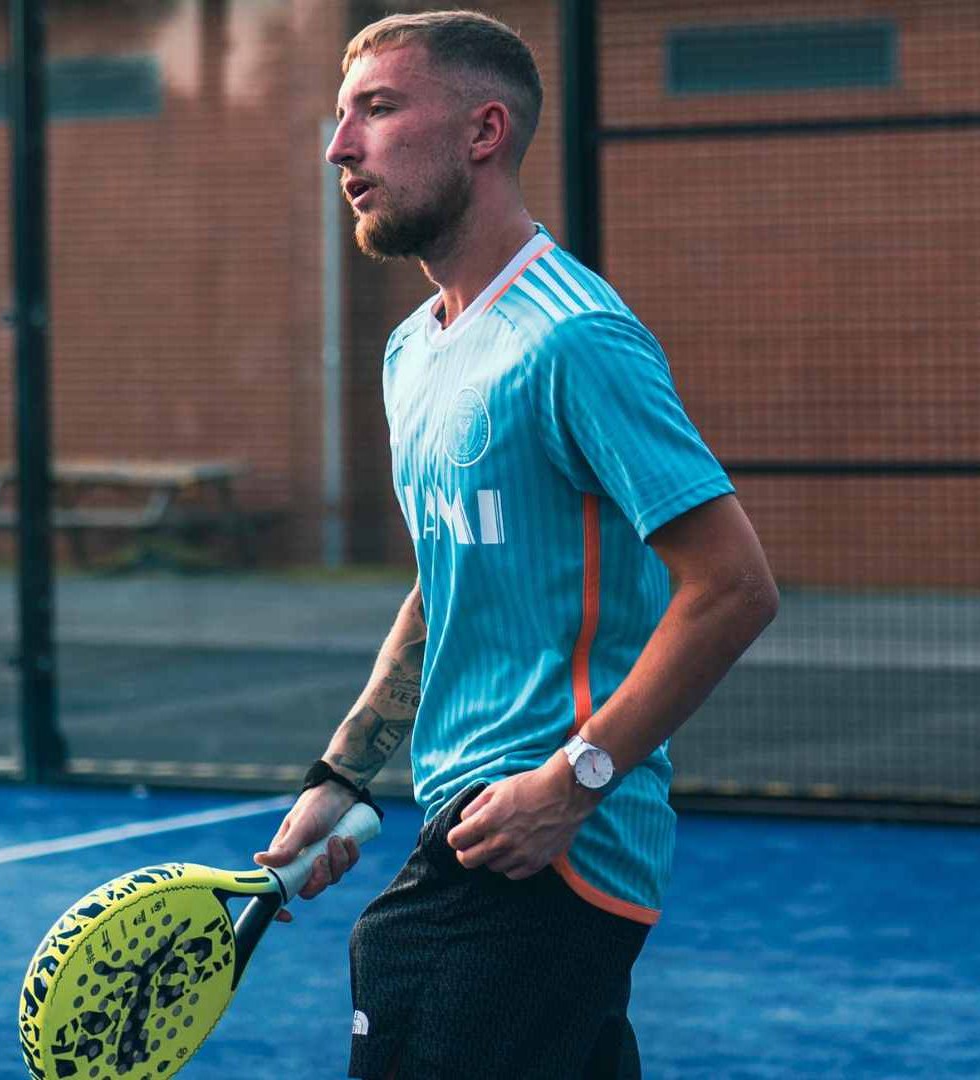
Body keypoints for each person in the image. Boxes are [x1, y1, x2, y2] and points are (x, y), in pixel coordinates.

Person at [254, 10, 779, 1078]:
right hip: (478, 820)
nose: (339, 146)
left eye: (379, 109)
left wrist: (571, 784)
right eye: (341, 115)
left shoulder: (575, 338)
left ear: (483, 131)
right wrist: (344, 776)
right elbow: (444, 581)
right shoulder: (414, 350)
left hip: (548, 851)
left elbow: (731, 587)